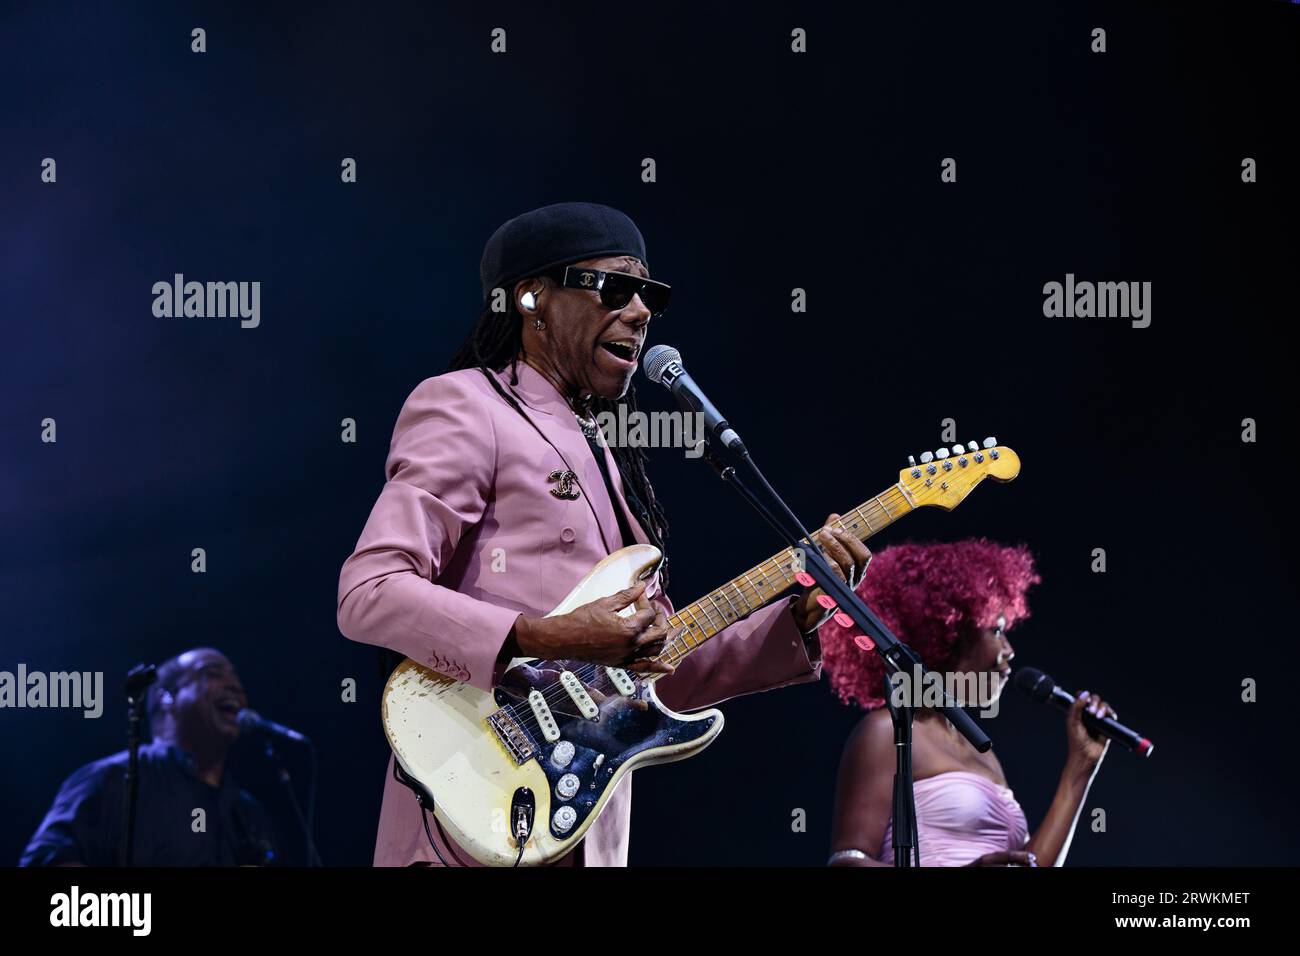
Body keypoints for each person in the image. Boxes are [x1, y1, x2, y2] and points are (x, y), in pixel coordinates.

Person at [337, 201, 871, 866]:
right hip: (470, 812)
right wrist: (549, 637)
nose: (642, 312)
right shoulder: (467, 404)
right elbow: (371, 592)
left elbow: (652, 669)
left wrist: (802, 612)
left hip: (582, 827)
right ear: (532, 298)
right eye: (614, 287)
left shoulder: (605, 456)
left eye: (650, 294)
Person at [823, 540, 1115, 867]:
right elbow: (847, 862)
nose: (1009, 649)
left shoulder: (983, 752)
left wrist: (1081, 766)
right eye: (997, 630)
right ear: (949, 630)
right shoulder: (887, 731)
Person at [20, 647, 278, 866]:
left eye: (236, 678)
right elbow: (47, 860)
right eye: (211, 674)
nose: (234, 686)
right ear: (167, 698)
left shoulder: (247, 812)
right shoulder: (111, 779)